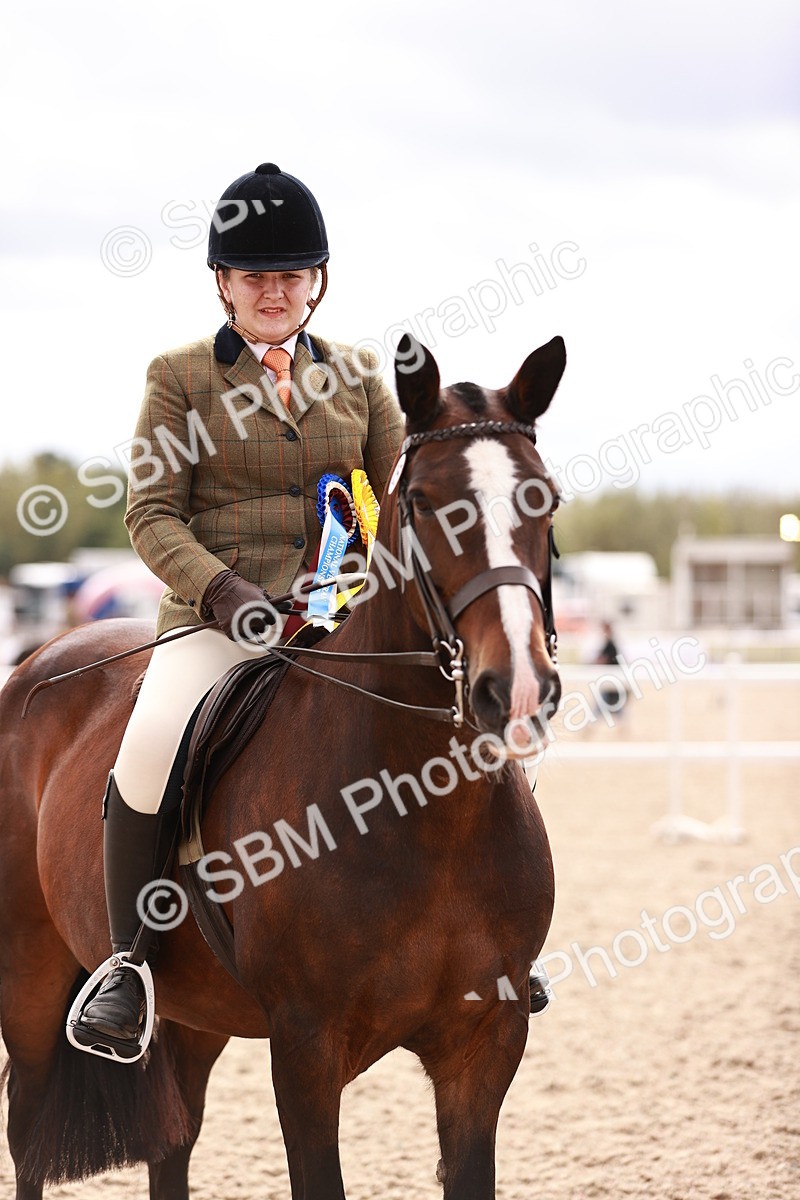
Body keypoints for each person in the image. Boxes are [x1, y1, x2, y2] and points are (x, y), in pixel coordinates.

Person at [74, 163, 405, 1053]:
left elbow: (394, 500)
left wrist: (365, 580)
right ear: (222, 282)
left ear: (317, 282)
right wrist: (225, 593)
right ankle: (128, 966)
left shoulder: (364, 378)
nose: (274, 290)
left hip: (340, 614)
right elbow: (151, 514)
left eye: (291, 274)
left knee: (452, 715)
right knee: (147, 751)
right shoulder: (180, 376)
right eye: (256, 275)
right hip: (219, 620)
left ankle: (489, 930)